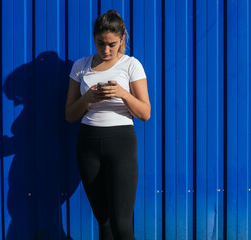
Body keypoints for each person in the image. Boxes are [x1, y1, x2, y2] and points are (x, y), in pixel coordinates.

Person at [65, 9, 150, 240]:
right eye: (100, 43)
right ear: (94, 38)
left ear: (122, 39)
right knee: (104, 224)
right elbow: (70, 115)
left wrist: (123, 93)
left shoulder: (131, 65)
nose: (105, 50)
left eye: (112, 44)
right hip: (88, 144)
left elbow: (145, 113)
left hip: (120, 143)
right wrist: (87, 99)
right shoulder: (80, 66)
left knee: (121, 225)